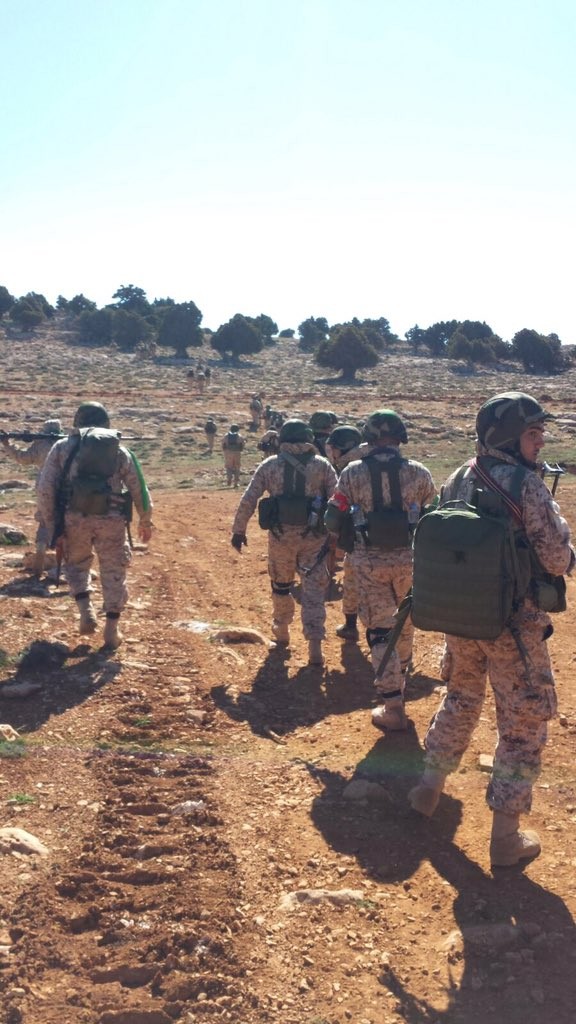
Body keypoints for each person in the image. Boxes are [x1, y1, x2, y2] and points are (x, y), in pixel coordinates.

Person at [408, 391, 574, 868]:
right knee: (523, 723)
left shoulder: (457, 476)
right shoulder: (526, 485)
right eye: (532, 434)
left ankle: (427, 790)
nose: (540, 442)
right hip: (513, 628)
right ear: (507, 437)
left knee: (460, 699)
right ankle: (505, 838)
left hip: (462, 618)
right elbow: (556, 558)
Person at [326, 409, 436, 728]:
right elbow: (434, 513)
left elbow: (333, 518)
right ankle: (399, 682)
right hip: (409, 562)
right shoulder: (419, 472)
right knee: (405, 626)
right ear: (400, 437)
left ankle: (392, 706)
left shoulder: (352, 472)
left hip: (368, 563)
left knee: (379, 632)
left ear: (369, 438)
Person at [36, 401, 153, 649]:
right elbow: (139, 488)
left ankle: (85, 610)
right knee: (114, 570)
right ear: (106, 423)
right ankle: (111, 629)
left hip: (74, 519)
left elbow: (45, 490)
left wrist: (53, 526)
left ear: (77, 421)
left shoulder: (61, 448)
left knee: (76, 565)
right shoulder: (120, 450)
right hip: (112, 520)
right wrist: (145, 519)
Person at [230, 419, 337, 665]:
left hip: (280, 537)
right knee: (313, 590)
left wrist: (239, 530)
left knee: (281, 585)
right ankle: (315, 644)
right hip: (314, 538)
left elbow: (249, 498)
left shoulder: (270, 465)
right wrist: (337, 534)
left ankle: (282, 629)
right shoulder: (322, 465)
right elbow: (336, 499)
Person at [1, 418, 63, 576]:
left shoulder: (40, 445)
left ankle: (41, 546)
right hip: (64, 487)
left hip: (44, 486)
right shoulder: (65, 444)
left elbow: (22, 458)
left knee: (44, 520)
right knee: (66, 520)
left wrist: (7, 444)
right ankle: (64, 561)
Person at [325, 424, 364, 642]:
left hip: (358, 542)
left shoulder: (349, 471)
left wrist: (332, 532)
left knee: (352, 583)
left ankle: (351, 626)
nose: (332, 453)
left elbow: (336, 510)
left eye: (335, 449)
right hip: (399, 544)